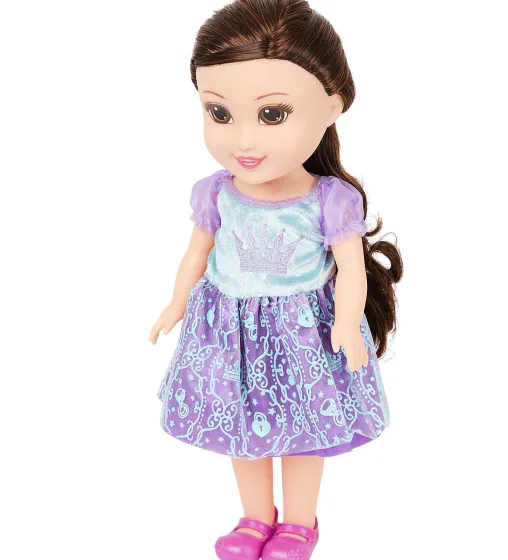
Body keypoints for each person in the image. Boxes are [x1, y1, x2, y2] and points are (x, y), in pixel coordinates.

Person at [149, 1, 403, 558]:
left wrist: (346, 324)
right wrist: (176, 302)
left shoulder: (329, 199)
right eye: (219, 113)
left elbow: (351, 269)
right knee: (242, 427)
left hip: (302, 333)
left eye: (271, 114)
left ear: (333, 106)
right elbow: (197, 252)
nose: (243, 140)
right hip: (228, 331)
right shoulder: (216, 192)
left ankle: (299, 523)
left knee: (303, 431)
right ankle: (254, 517)